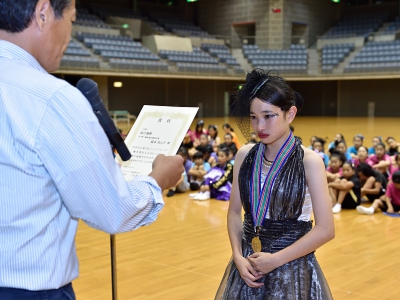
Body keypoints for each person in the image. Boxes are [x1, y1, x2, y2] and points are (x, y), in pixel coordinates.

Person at [0, 0, 184, 298]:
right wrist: (157, 181)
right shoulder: (53, 99)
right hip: (29, 289)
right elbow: (112, 210)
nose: (70, 35)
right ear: (43, 12)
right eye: (71, 20)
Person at [215, 69, 334, 299]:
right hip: (248, 266)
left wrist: (276, 260)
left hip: (291, 268)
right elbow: (233, 213)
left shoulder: (309, 161)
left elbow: (326, 229)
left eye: (268, 116)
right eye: (253, 117)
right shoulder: (244, 155)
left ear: (290, 114)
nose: (259, 126)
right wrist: (238, 257)